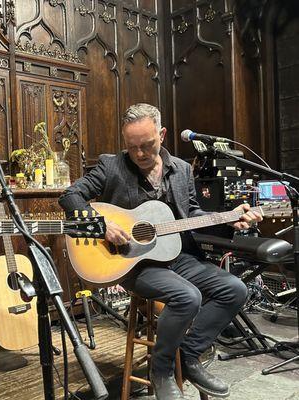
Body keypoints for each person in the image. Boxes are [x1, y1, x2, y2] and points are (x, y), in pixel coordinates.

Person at [59, 103, 262, 400]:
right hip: (133, 263)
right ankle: (162, 369)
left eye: (147, 145)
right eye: (132, 147)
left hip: (178, 255)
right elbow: (70, 196)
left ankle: (189, 355)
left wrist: (232, 222)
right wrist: (102, 225)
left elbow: (192, 216)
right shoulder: (110, 166)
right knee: (187, 297)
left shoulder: (180, 169)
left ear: (162, 134)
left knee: (234, 289)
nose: (140, 153)